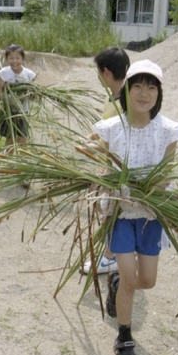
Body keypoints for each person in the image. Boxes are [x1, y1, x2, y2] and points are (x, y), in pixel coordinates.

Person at [92, 59, 178, 355]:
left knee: (147, 280)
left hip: (150, 216)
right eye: (138, 85)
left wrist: (148, 189)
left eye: (152, 86)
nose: (145, 93)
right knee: (133, 280)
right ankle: (124, 338)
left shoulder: (168, 131)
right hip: (120, 213)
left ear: (159, 93)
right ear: (126, 90)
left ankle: (115, 281)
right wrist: (108, 190)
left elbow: (166, 175)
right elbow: (103, 172)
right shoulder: (111, 129)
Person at [81, 47, 130, 276]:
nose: (98, 77)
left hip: (118, 168)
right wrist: (93, 136)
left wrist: (90, 147)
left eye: (98, 72)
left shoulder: (125, 103)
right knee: (111, 210)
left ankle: (110, 257)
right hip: (110, 165)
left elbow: (119, 139)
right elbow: (106, 127)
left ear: (107, 73)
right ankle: (117, 254)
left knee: (112, 211)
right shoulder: (114, 97)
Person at [0, 44, 36, 151]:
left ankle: (22, 158)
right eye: (11, 58)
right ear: (7, 59)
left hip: (23, 110)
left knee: (23, 137)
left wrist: (31, 94)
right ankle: (8, 158)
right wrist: (1, 103)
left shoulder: (29, 74)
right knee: (10, 137)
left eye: (17, 58)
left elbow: (33, 92)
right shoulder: (4, 73)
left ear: (22, 58)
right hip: (9, 110)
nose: (14, 61)